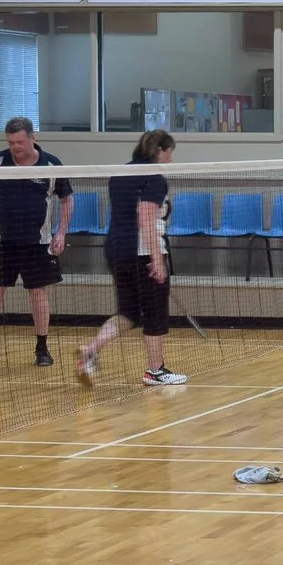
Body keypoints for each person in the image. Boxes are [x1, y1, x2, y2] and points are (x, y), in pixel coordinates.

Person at [78, 130, 187, 388]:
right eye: (169, 154)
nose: (170, 160)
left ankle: (91, 350)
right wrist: (156, 260)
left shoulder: (120, 173)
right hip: (142, 252)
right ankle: (156, 370)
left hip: (115, 249)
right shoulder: (155, 179)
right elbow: (145, 216)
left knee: (128, 312)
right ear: (160, 150)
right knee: (155, 313)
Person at [0, 116, 74, 369]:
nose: (16, 147)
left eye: (20, 142)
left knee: (38, 293)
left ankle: (42, 348)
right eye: (11, 142)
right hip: (3, 242)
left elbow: (67, 199)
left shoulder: (51, 165)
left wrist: (61, 233)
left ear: (33, 138)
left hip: (37, 243)